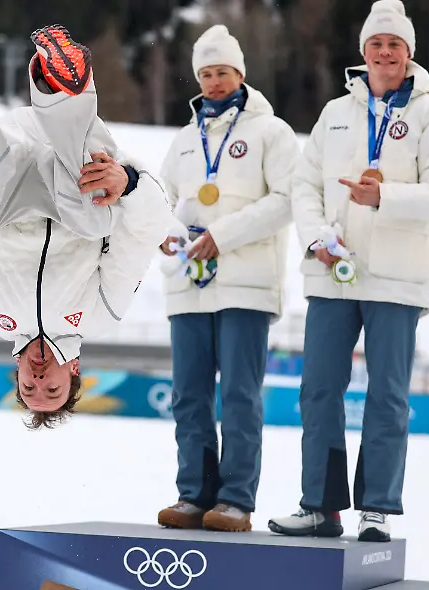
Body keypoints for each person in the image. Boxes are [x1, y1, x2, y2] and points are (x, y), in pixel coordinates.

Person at [0, 19, 173, 429]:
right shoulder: (101, 314)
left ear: (18, 377)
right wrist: (128, 183)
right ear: (74, 371)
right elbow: (142, 234)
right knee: (98, 218)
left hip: (3, 178)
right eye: (52, 390)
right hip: (68, 171)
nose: (38, 381)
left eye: (28, 390)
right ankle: (58, 84)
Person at [268, 0, 429, 543]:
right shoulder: (335, 113)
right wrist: (315, 237)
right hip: (334, 270)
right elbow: (304, 186)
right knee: (318, 390)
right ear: (362, 52)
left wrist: (386, 197)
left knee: (388, 395)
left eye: (395, 45)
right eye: (376, 43)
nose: (385, 52)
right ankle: (320, 507)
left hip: (398, 278)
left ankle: (375, 508)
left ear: (409, 54)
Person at [155, 25, 298, 533]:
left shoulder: (271, 132)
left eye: (223, 72)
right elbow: (160, 204)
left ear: (241, 74)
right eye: (206, 74)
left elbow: (286, 201)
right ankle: (193, 494)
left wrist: (223, 234)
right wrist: (165, 235)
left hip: (245, 282)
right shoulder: (184, 140)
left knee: (239, 393)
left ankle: (235, 498)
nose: (214, 82)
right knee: (188, 394)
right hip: (189, 283)